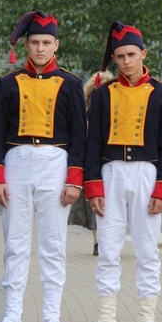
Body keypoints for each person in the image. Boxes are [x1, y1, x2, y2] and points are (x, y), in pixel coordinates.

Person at [0, 11, 86, 322]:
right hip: (16, 161)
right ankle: (12, 316)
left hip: (55, 163)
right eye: (34, 42)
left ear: (56, 44)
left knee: (54, 245)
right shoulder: (8, 82)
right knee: (14, 244)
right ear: (26, 45)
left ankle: (52, 318)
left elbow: (79, 136)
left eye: (46, 42)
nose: (40, 48)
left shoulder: (71, 83)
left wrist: (74, 179)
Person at [80, 21, 162, 322]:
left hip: (147, 173)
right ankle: (106, 319)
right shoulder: (104, 93)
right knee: (108, 248)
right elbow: (92, 143)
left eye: (131, 54)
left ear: (143, 53)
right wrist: (92, 184)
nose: (126, 61)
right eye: (120, 56)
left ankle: (146, 320)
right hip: (110, 173)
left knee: (147, 249)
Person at [68, 71, 113, 256]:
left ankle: (107, 238)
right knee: (94, 201)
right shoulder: (85, 105)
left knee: (110, 201)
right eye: (98, 83)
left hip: (110, 157)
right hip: (91, 158)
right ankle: (98, 240)